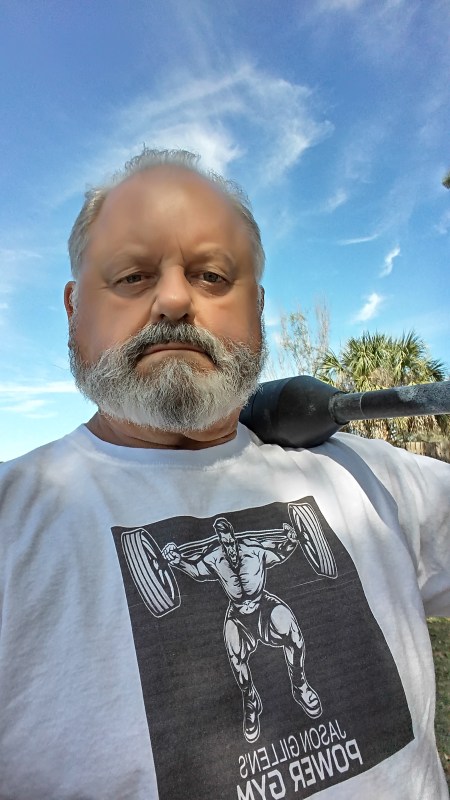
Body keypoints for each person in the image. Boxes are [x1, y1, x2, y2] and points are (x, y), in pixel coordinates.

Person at [0, 148, 448, 800]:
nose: (174, 299)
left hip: (268, 602)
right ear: (74, 309)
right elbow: (182, 569)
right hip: (236, 615)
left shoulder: (372, 476)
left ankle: (299, 682)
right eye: (132, 275)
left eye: (211, 276)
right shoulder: (13, 521)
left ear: (257, 309)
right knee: (240, 658)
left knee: (291, 636)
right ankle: (254, 701)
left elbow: (284, 547)